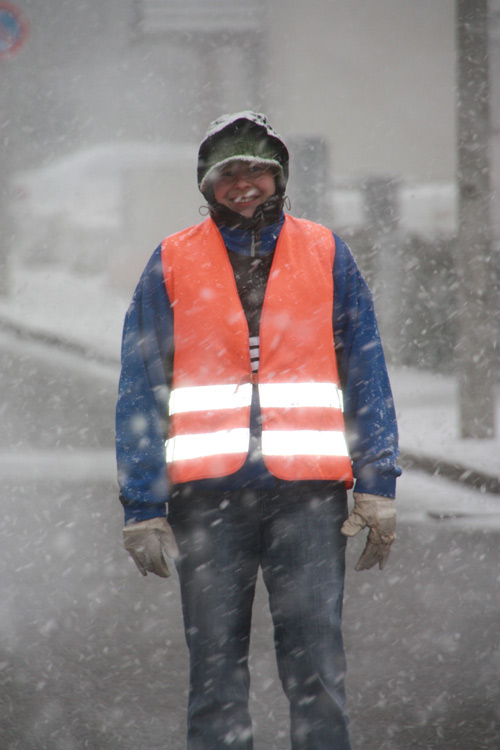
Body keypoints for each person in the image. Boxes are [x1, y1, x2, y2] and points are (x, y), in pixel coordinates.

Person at [116, 111, 400, 750]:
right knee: (215, 676)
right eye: (228, 174)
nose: (244, 185)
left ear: (279, 177)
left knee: (317, 670)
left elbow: (366, 368)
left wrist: (377, 480)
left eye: (257, 171)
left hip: (307, 498)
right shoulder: (171, 261)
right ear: (207, 185)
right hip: (206, 502)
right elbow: (140, 386)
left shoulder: (327, 253)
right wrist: (142, 503)